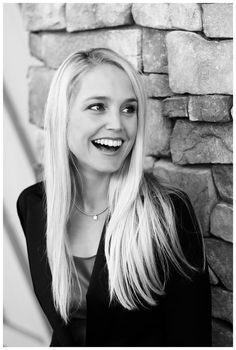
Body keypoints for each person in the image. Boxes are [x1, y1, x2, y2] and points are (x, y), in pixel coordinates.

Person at [17, 48, 211, 347]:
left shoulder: (167, 212)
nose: (118, 125)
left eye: (128, 109)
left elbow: (192, 339)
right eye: (97, 106)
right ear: (63, 116)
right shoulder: (33, 205)